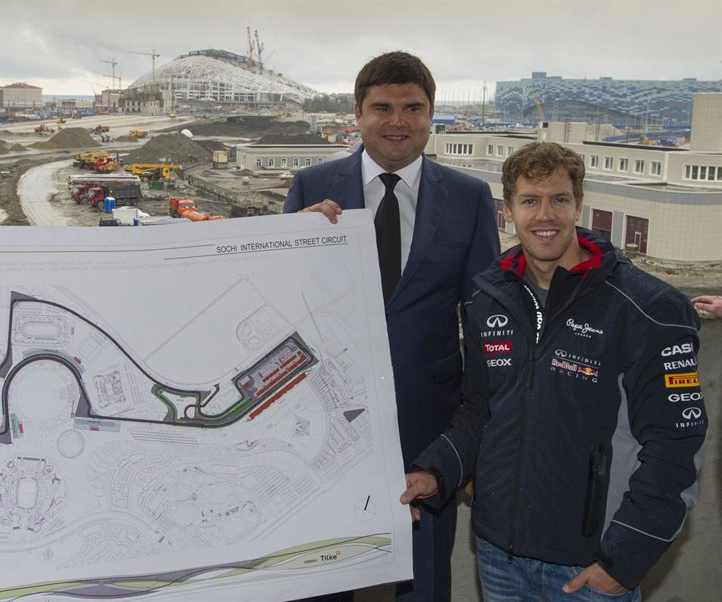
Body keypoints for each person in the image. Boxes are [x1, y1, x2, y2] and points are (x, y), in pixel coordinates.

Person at [401, 141, 706, 600]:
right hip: (498, 556)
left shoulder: (649, 309)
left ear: (579, 206)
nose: (545, 215)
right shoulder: (487, 298)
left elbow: (676, 445)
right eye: (530, 200)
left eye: (559, 199)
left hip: (592, 565)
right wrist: (434, 472)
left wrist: (625, 558)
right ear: (508, 211)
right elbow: (478, 412)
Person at [284, 51, 499, 601]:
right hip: (327, 421)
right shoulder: (310, 188)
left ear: (431, 115)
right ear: (357, 113)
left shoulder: (470, 197)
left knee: (423, 582)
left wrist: (474, 444)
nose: (397, 121)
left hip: (428, 426)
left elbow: (483, 324)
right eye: (382, 108)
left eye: (413, 108)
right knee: (323, 577)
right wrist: (292, 245)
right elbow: (281, 307)